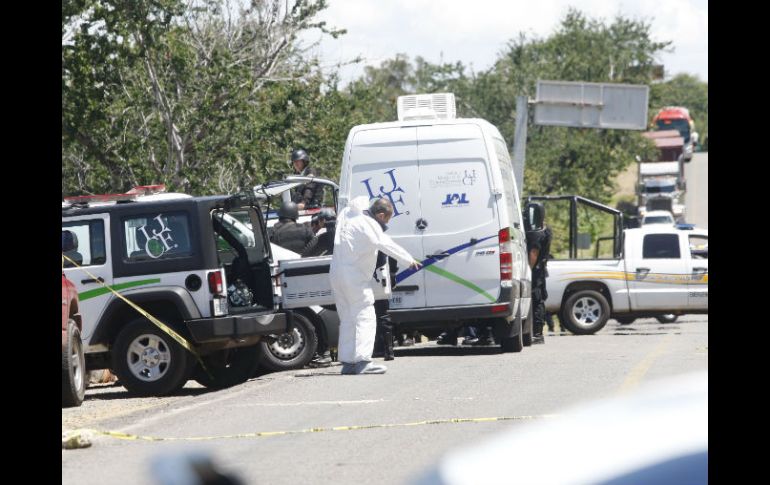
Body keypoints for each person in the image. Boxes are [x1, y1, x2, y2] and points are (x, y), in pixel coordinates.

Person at [330, 196, 422, 375]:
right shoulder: (368, 223)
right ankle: (363, 361)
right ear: (380, 215)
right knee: (365, 315)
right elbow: (384, 243)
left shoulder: (348, 218)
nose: (387, 223)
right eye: (387, 219)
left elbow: (351, 206)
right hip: (354, 276)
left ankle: (348, 362)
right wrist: (408, 260)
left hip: (337, 274)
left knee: (348, 318)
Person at [525, 203, 552, 345]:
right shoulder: (545, 229)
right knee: (538, 300)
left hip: (535, 272)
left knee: (536, 301)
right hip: (540, 270)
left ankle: (537, 334)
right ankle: (536, 332)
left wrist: (527, 270)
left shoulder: (538, 232)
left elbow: (534, 254)